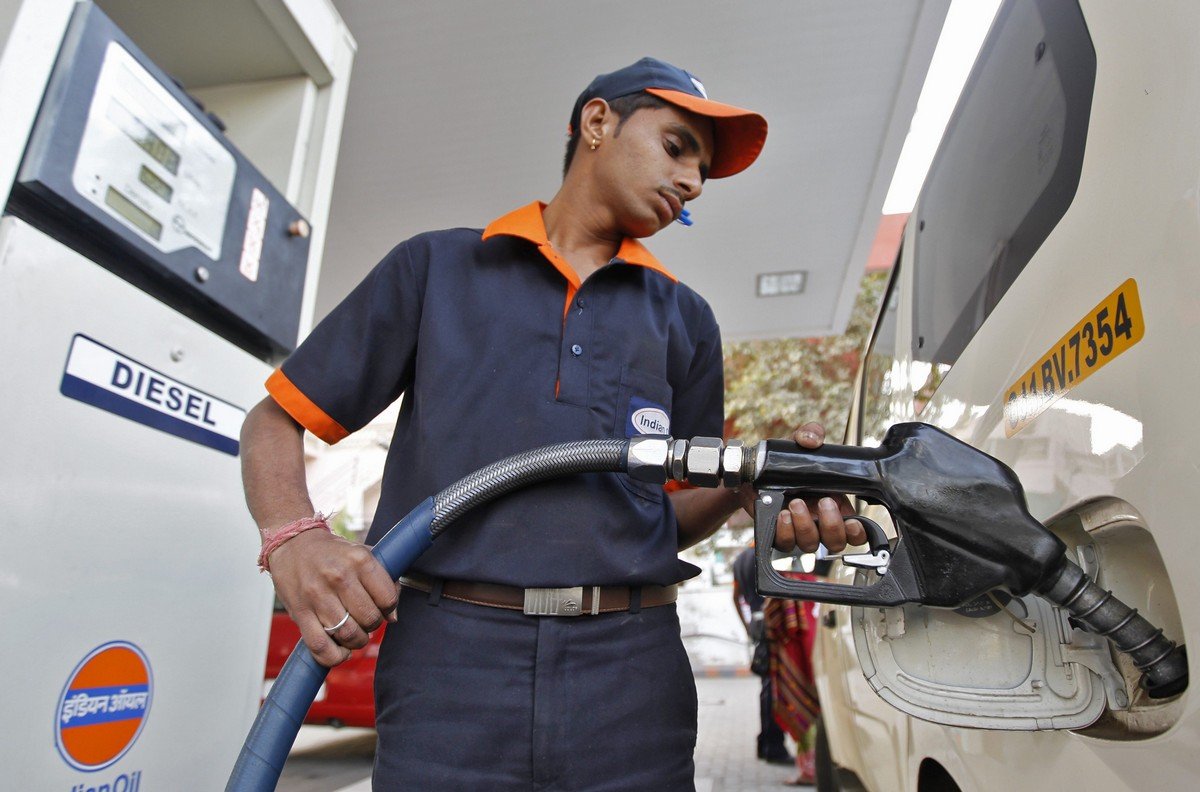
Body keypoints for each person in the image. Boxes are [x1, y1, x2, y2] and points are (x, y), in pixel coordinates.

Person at [240, 56, 864, 790]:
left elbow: (668, 512)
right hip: (450, 665)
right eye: (676, 146)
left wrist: (745, 490)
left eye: (703, 170)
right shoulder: (438, 268)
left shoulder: (686, 319)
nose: (694, 182)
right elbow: (274, 420)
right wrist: (294, 538)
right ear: (598, 121)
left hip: (631, 674)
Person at [732, 543, 794, 765]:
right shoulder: (768, 556)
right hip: (773, 624)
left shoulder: (740, 560)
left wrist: (747, 625)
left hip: (758, 624)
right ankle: (773, 746)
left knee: (767, 686)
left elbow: (735, 597)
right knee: (773, 687)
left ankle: (765, 743)